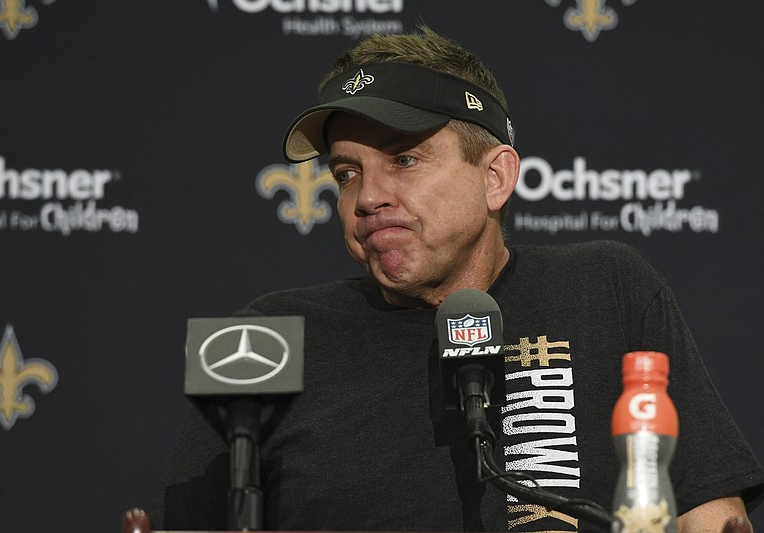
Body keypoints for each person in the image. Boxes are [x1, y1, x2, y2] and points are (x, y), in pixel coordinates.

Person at [153, 26, 764, 532]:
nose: (368, 197)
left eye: (405, 159)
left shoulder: (607, 289)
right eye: (346, 173)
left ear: (495, 177)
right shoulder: (272, 336)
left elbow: (709, 514)